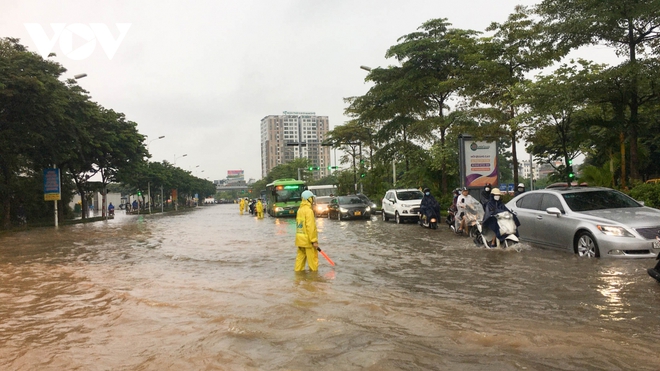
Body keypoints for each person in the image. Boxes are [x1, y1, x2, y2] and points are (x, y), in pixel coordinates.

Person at [295, 190, 320, 272]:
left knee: (299, 262)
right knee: (313, 263)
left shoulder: (300, 210)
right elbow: (310, 227)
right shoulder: (309, 211)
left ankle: (298, 278)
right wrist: (314, 241)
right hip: (308, 241)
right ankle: (314, 280)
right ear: (309, 199)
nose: (313, 200)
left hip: (300, 240)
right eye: (312, 198)